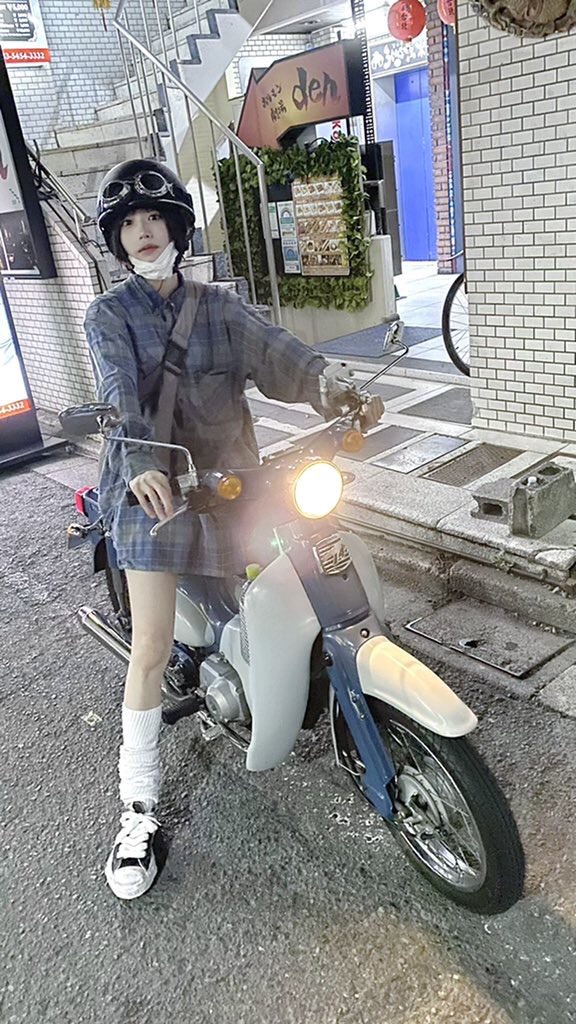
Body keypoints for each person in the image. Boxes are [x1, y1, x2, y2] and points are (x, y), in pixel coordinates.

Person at [85, 158, 350, 901]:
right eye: (129, 223)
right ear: (117, 239)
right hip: (155, 492)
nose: (144, 232)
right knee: (150, 647)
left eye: (154, 217)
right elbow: (116, 394)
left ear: (177, 226)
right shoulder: (109, 316)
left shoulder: (219, 306)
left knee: (285, 586)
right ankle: (137, 809)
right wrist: (143, 461)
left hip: (232, 484)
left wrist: (331, 387)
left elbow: (277, 352)